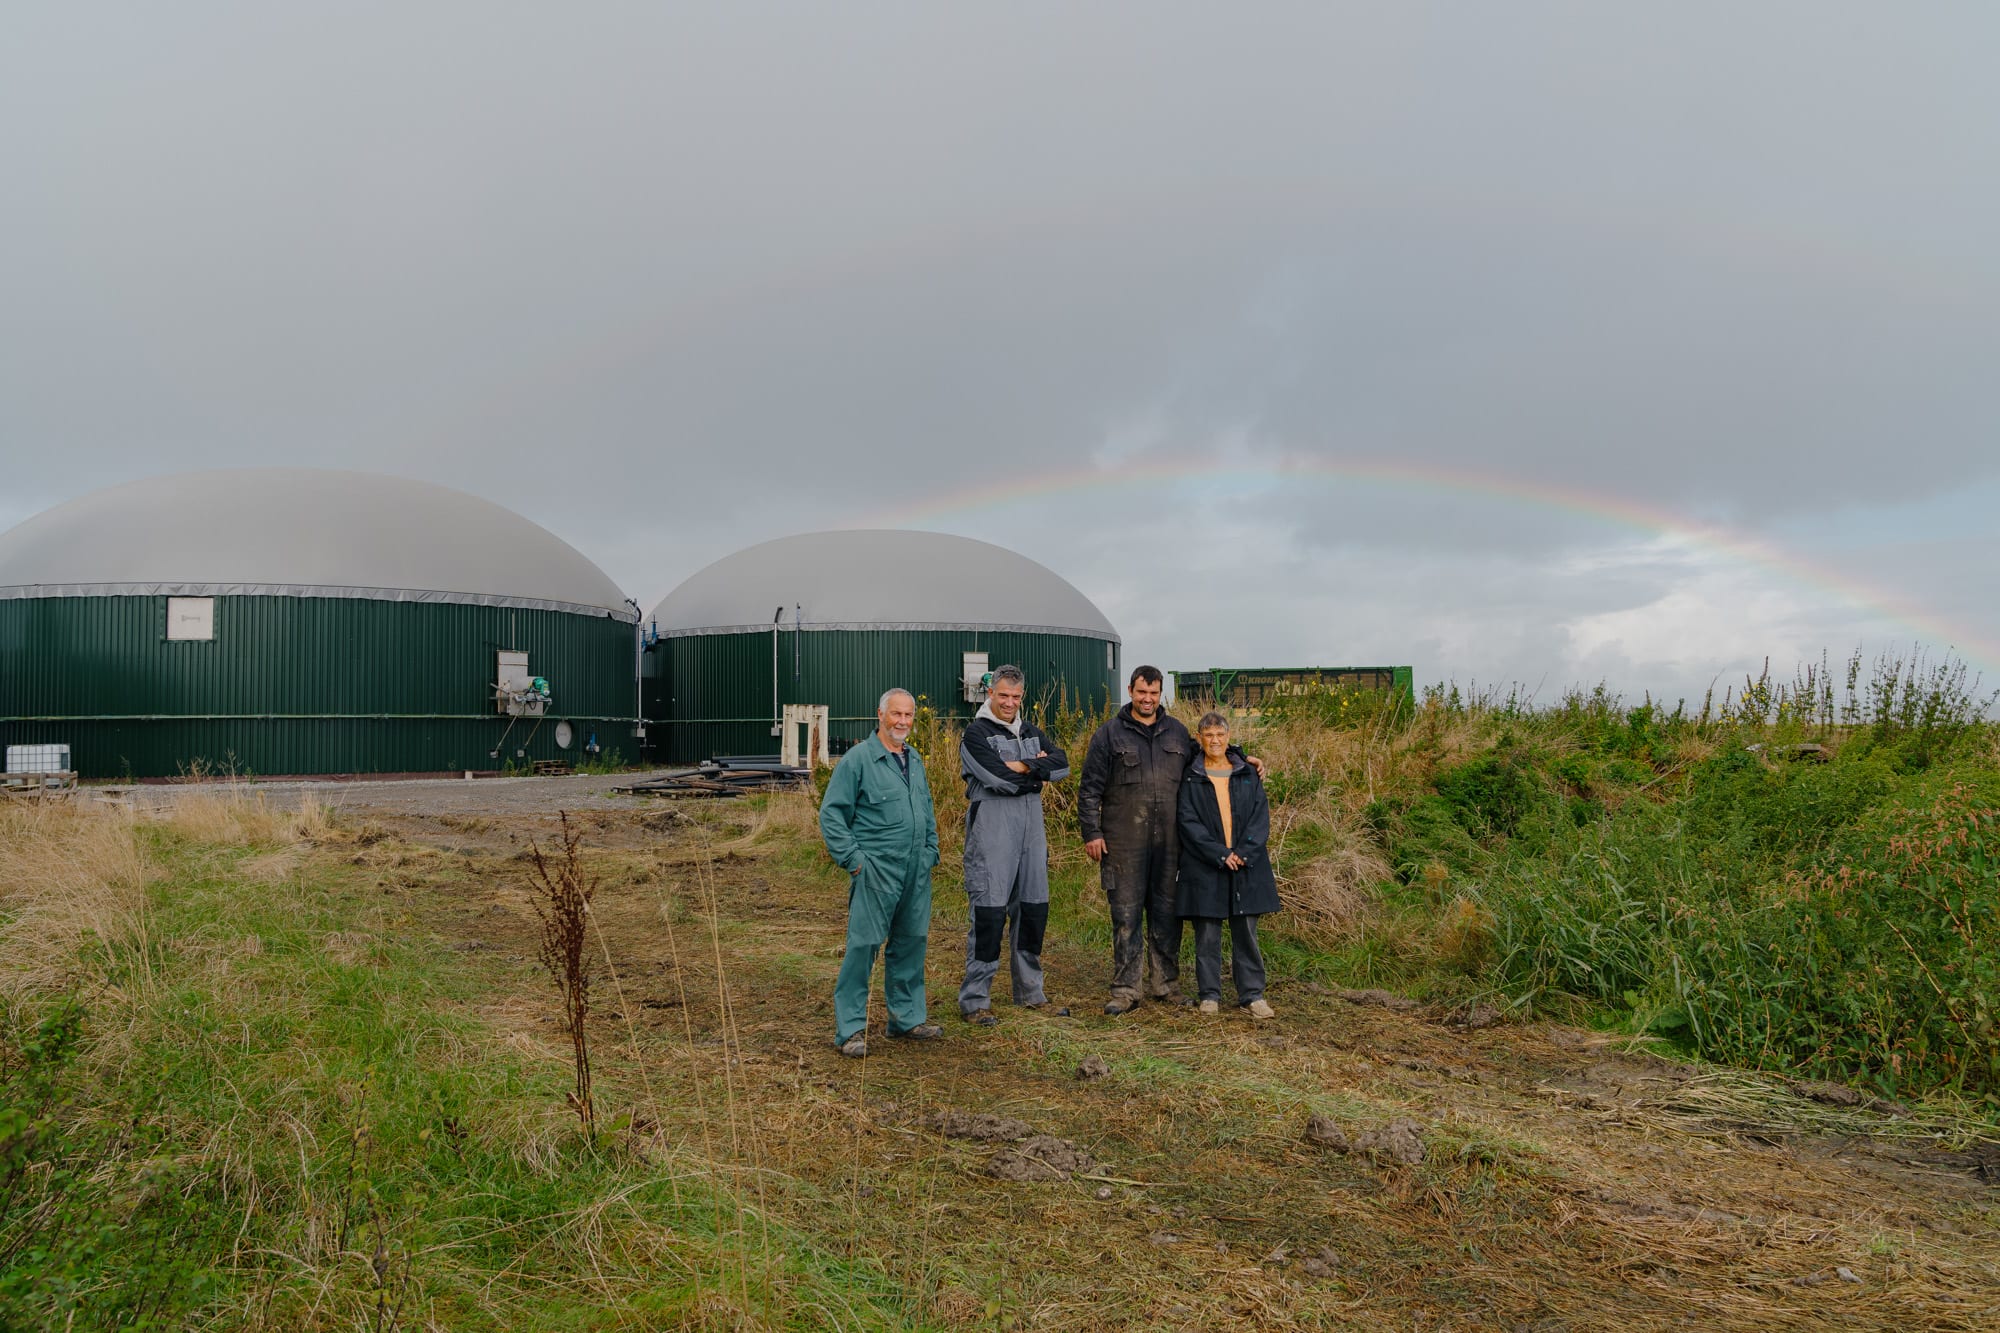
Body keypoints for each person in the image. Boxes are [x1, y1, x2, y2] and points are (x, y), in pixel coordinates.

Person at [1079, 667, 1266, 1015]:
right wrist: (1092, 833)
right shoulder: (1109, 735)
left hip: (1171, 844)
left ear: (1160, 693)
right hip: (1123, 842)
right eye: (1141, 693)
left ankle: (1166, 985)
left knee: (1167, 914)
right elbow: (1089, 787)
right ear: (1130, 691)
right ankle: (1125, 989)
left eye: (1153, 693)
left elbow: (1213, 751)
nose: (1147, 699)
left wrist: (1242, 757)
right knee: (1126, 915)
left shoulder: (1177, 733)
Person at [818, 687, 943, 1057]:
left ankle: (906, 1020)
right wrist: (855, 860)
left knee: (911, 943)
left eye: (908, 716)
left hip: (916, 870)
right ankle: (850, 1030)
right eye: (896, 715)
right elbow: (832, 815)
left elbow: (926, 807)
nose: (903, 722)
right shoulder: (858, 760)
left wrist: (932, 850)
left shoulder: (914, 759)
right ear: (881, 715)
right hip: (877, 870)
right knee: (864, 946)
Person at [958, 664, 1069, 1025]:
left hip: (1031, 827)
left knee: (1034, 907)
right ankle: (976, 998)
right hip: (992, 824)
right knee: (989, 911)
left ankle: (1031, 992)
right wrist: (1034, 773)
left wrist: (1023, 767)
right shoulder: (975, 734)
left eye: (1016, 697)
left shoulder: (1031, 731)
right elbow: (997, 778)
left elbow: (1062, 764)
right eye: (1003, 695)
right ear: (990, 693)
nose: (1009, 702)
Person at [1176, 711, 1280, 1020]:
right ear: (1200, 739)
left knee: (1246, 931)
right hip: (1206, 865)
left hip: (1247, 865)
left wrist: (1244, 852)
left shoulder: (1247, 772)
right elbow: (1188, 821)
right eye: (1208, 735)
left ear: (1228, 736)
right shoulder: (1192, 775)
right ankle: (1209, 994)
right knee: (1207, 932)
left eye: (1220, 735)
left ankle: (1252, 994)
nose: (1215, 740)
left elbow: (1260, 818)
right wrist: (1220, 853)